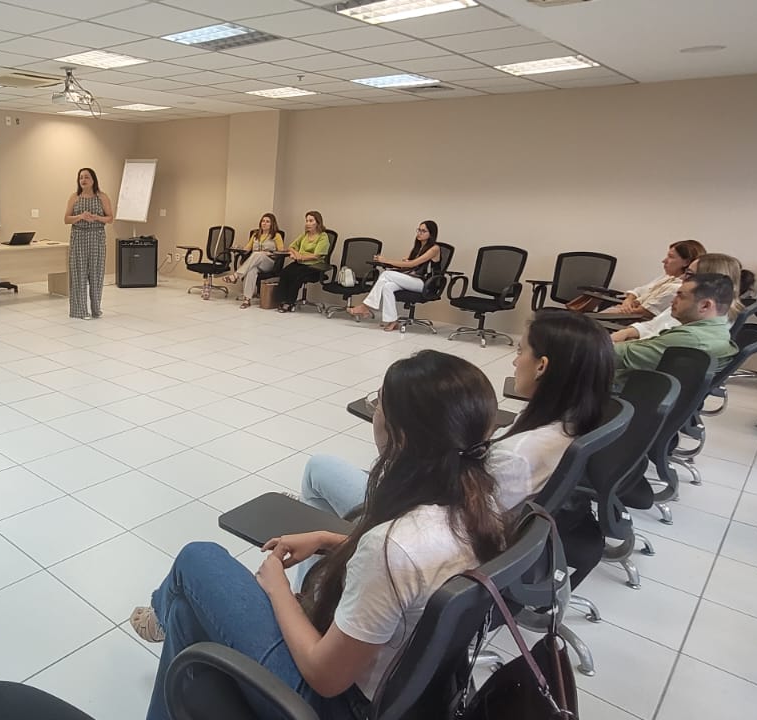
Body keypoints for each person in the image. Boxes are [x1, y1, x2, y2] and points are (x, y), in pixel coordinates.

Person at [129, 351, 511, 720]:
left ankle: (162, 610)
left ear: (401, 436)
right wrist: (330, 539)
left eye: (380, 403)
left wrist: (278, 589)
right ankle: (170, 618)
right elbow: (417, 574)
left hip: (337, 705)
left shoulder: (392, 547)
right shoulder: (481, 508)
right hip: (414, 696)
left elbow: (325, 676)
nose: (375, 411)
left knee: (198, 559)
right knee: (186, 616)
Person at [301, 310, 614, 526]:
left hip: (422, 525)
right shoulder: (569, 426)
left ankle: (317, 579)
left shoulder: (517, 455)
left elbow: (447, 516)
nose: (515, 361)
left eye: (521, 351)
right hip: (458, 521)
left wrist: (388, 441)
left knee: (319, 468)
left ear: (542, 366)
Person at [613, 272, 739, 388]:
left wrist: (604, 342)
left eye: (681, 296)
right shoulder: (718, 332)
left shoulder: (690, 339)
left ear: (705, 305)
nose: (673, 301)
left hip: (618, 390)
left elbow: (617, 356)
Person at [612, 253, 754, 343]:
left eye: (689, 274)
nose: (682, 278)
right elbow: (655, 325)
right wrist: (626, 333)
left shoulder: (698, 315)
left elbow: (653, 345)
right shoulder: (692, 303)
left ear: (710, 280)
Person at [349, 220, 443, 330]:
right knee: (387, 286)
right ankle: (392, 321)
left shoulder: (434, 248)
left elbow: (413, 264)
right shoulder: (418, 247)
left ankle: (365, 306)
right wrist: (404, 262)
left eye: (423, 231)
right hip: (413, 279)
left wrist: (387, 260)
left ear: (431, 234)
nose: (419, 233)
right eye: (418, 230)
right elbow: (409, 265)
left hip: (425, 283)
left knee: (386, 274)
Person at [597, 239, 705, 320]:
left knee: (590, 322)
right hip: (624, 312)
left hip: (628, 320)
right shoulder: (667, 277)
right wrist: (628, 301)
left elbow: (643, 312)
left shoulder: (676, 288)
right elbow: (639, 291)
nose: (664, 260)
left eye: (671, 257)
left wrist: (625, 307)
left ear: (686, 262)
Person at [64, 167, 114, 319]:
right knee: (78, 273)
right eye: (81, 177)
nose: (83, 180)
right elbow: (66, 219)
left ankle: (96, 309)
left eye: (86, 177)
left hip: (96, 237)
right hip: (79, 237)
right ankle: (80, 311)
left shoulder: (102, 197)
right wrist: (80, 216)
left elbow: (110, 218)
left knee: (96, 273)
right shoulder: (75, 197)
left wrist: (97, 218)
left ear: (93, 180)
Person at [274, 211, 333, 313]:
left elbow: (317, 255)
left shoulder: (323, 236)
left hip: (314, 266)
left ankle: (289, 302)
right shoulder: (305, 235)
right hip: (300, 262)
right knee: (285, 272)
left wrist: (301, 257)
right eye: (307, 221)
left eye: (311, 221)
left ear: (318, 223)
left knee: (296, 276)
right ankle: (281, 300)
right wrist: (297, 254)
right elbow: (291, 247)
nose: (308, 223)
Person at [224, 213, 286, 309]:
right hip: (256, 262)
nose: (264, 223)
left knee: (258, 254)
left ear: (272, 224)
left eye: (267, 222)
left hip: (269, 263)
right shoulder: (255, 235)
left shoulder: (276, 235)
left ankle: (236, 275)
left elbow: (281, 251)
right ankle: (247, 300)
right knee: (252, 270)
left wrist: (269, 253)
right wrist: (238, 248)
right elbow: (247, 249)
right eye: (263, 221)